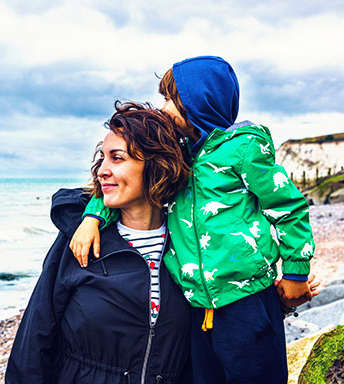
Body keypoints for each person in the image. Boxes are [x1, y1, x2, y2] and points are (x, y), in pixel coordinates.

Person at [71, 56, 316, 383]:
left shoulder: (242, 150)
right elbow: (124, 186)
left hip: (248, 301)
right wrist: (91, 218)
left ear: (200, 103)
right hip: (196, 307)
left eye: (170, 99)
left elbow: (289, 207)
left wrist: (296, 273)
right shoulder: (177, 155)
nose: (164, 108)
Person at [6, 102, 195, 383]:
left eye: (117, 158)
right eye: (102, 158)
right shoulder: (80, 239)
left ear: (156, 166)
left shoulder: (190, 245)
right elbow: (35, 337)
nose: (102, 171)